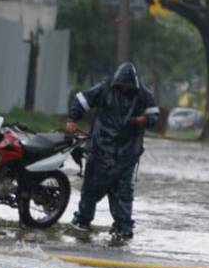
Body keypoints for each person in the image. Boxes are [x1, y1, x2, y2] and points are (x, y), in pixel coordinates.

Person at [65, 62, 159, 241]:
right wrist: (72, 119)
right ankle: (82, 222)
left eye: (126, 86)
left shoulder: (143, 95)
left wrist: (144, 120)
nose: (123, 88)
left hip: (127, 153)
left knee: (123, 192)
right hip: (101, 148)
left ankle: (123, 228)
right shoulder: (104, 88)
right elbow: (81, 100)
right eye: (120, 85)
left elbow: (154, 115)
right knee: (91, 188)